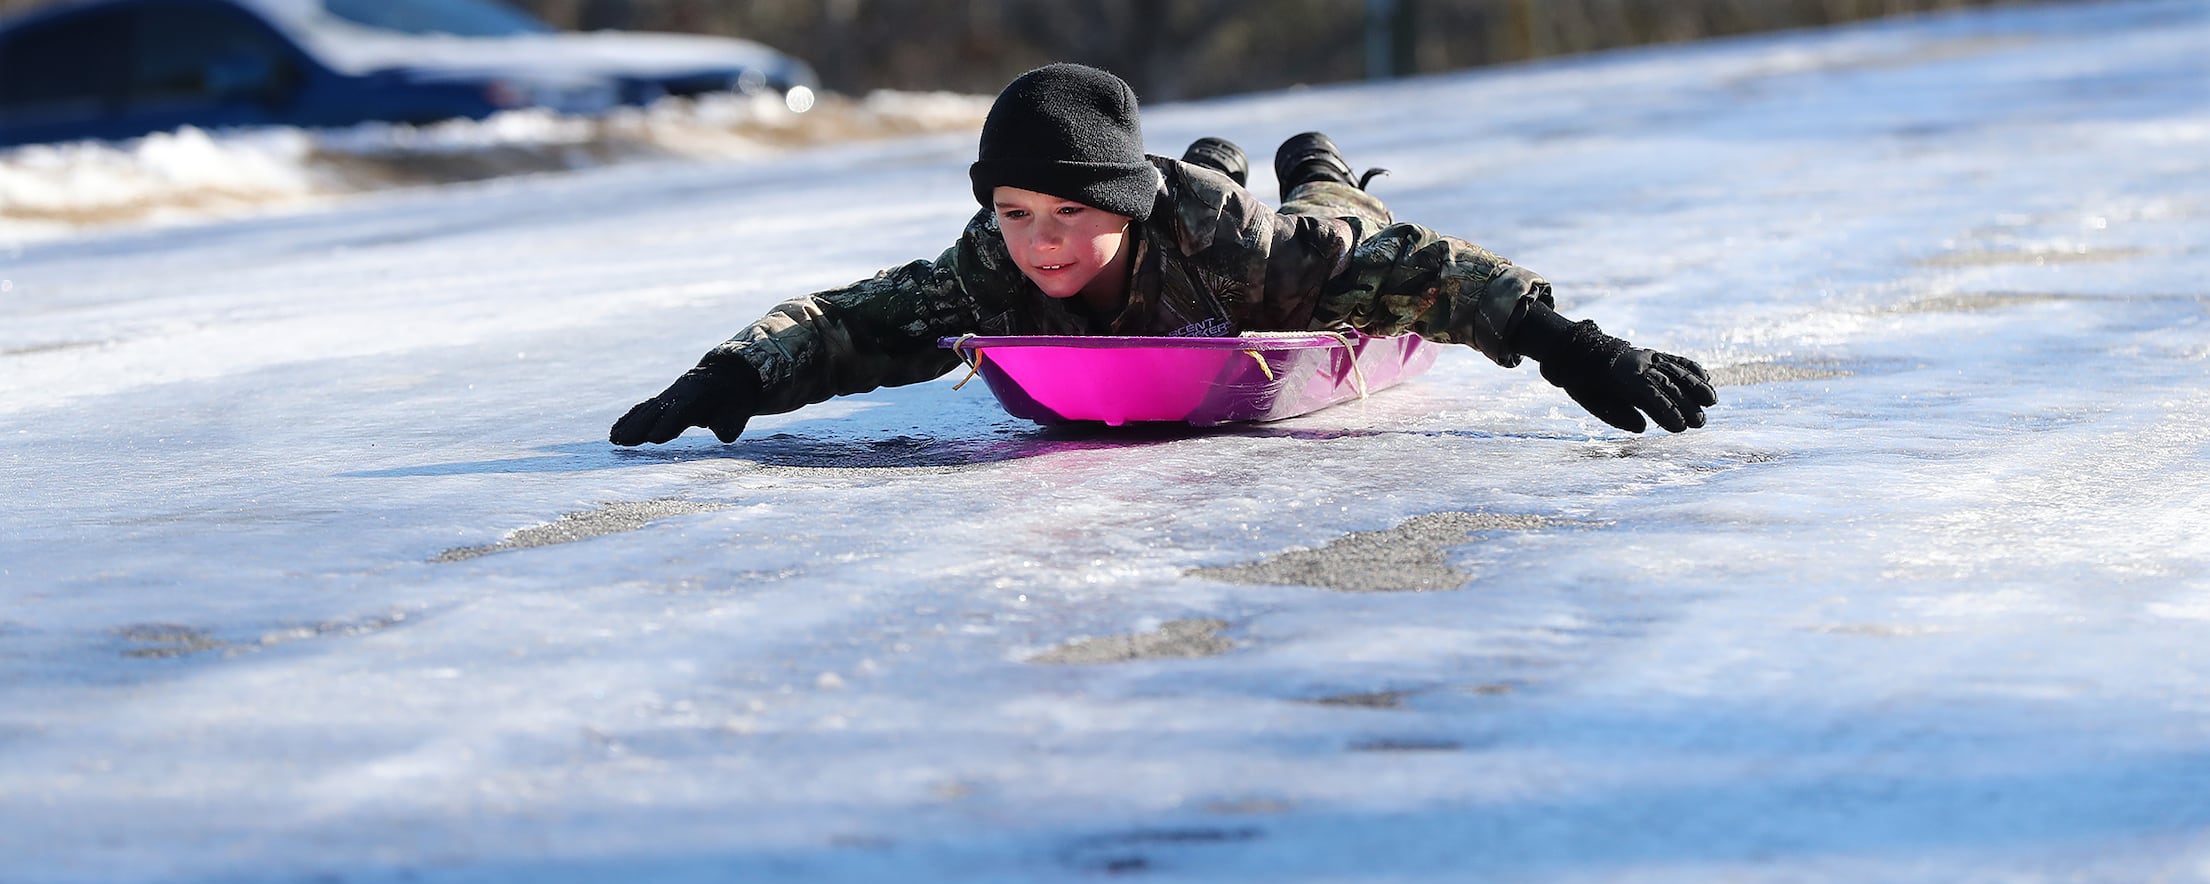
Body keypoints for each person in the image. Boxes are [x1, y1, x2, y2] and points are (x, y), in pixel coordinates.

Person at [610, 63, 1715, 447]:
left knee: (1342, 225)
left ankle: (1306, 159)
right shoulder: (989, 267)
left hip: (1245, 234)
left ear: (1126, 212)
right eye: (1013, 211)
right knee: (1226, 197)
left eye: (1065, 215)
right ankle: (1214, 158)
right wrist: (733, 374)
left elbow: (1427, 273)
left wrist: (1570, 344)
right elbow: (850, 318)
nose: (1038, 244)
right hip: (1181, 207)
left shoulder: (1226, 248)